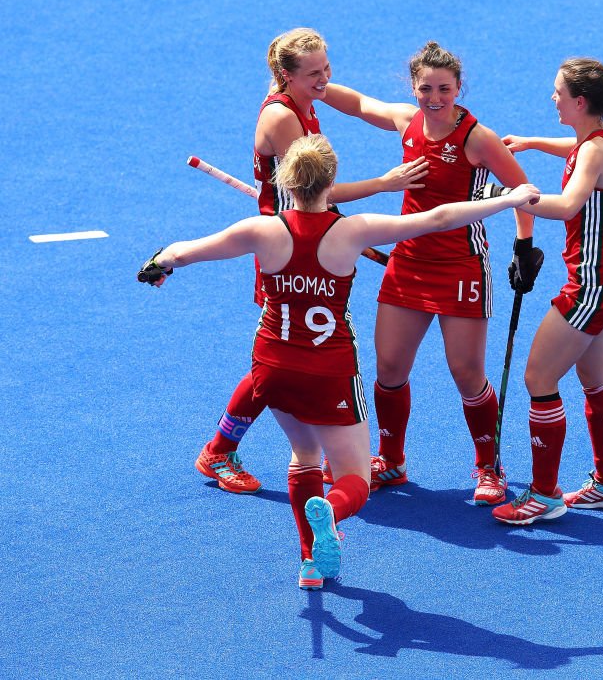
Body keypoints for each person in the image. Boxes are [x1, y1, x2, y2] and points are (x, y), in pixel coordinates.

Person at [138, 134, 539, 587]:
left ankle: (310, 561)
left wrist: (159, 263)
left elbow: (184, 251)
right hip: (329, 372)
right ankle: (331, 511)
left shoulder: (261, 230)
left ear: (287, 182)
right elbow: (440, 217)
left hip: (272, 368)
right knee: (354, 479)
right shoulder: (352, 231)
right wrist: (510, 199)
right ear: (330, 183)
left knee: (304, 456)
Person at [194, 28, 428, 495]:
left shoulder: (304, 92)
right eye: (315, 73)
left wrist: (421, 118)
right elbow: (315, 189)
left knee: (280, 355)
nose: (325, 78)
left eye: (327, 67)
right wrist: (384, 184)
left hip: (307, 233)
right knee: (276, 357)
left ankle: (223, 446)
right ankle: (218, 450)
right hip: (285, 246)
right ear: (287, 76)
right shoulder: (282, 117)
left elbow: (364, 106)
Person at [321, 41, 542, 506]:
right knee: (389, 368)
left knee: (466, 373)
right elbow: (361, 105)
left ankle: (489, 467)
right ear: (414, 88)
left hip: (462, 264)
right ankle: (391, 460)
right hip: (409, 263)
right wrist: (313, 88)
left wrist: (524, 247)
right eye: (426, 88)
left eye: (444, 88)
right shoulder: (409, 121)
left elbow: (524, 192)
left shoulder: (476, 138)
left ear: (460, 88)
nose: (434, 97)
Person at [490, 58, 603, 525]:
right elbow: (576, 152)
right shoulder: (598, 139)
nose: (551, 98)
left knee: (539, 378)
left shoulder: (594, 152)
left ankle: (545, 495)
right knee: (594, 378)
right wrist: (532, 143)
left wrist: (516, 198)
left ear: (579, 102)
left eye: (557, 93)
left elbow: (570, 202)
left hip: (591, 281)